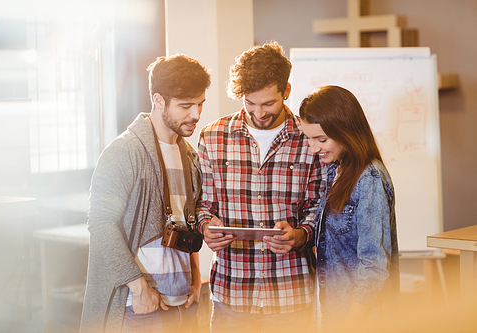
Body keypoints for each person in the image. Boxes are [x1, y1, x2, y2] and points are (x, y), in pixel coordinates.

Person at [196, 41, 326, 333]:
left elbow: (319, 207)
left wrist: (300, 235)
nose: (259, 112)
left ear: (286, 91)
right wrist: (206, 227)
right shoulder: (213, 137)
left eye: (268, 103)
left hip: (290, 294)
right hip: (232, 294)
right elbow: (203, 205)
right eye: (250, 103)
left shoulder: (310, 138)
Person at [79, 54, 211, 333]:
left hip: (183, 303)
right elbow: (100, 224)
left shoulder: (190, 155)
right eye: (186, 106)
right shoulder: (123, 152)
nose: (196, 115)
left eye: (200, 104)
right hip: (138, 306)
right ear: (158, 100)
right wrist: (138, 287)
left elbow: (187, 221)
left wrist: (196, 278)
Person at [298, 85, 400, 332]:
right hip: (335, 313)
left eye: (321, 140)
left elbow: (374, 266)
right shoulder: (336, 169)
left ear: (346, 131)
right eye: (309, 139)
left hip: (360, 321)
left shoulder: (369, 178)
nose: (314, 148)